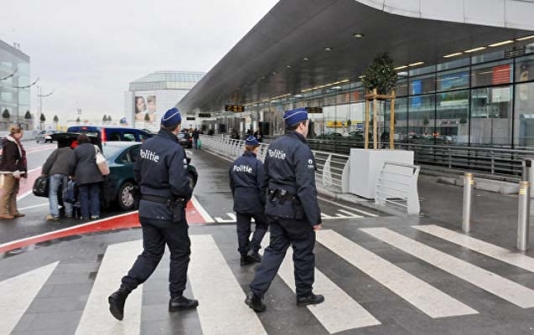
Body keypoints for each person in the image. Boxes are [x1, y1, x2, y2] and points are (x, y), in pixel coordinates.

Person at [108, 107, 197, 321]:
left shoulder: (146, 145)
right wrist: (188, 185)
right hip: (168, 211)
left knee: (150, 254)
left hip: (146, 208)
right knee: (180, 252)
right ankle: (176, 297)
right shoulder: (174, 150)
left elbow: (137, 173)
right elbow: (178, 185)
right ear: (178, 126)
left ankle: (123, 290)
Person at [245, 107, 323, 313]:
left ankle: (256, 292)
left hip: (275, 208)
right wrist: (315, 218)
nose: (307, 128)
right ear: (302, 125)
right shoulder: (301, 149)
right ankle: (305, 294)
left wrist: (267, 205)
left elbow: (265, 177)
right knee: (304, 252)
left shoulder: (274, 145)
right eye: (307, 124)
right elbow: (306, 187)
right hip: (295, 212)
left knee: (274, 251)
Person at [229, 136, 269, 266]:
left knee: (242, 230)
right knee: (263, 224)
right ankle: (253, 248)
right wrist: (265, 203)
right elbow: (262, 186)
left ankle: (243, 257)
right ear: (256, 149)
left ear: (244, 147)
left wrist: (236, 197)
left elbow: (232, 184)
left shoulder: (235, 163)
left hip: (240, 200)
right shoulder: (258, 164)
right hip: (255, 201)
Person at [69, 134, 104, 220]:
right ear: (88, 139)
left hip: (82, 176)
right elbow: (101, 158)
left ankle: (85, 215)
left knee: (83, 196)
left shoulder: (76, 149)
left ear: (79, 141)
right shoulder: (94, 147)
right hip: (95, 175)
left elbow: (72, 163)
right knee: (94, 195)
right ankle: (95, 214)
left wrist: (71, 174)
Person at [42, 139, 74, 221]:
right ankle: (69, 213)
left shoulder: (58, 151)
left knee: (53, 193)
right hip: (66, 174)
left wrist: (44, 172)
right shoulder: (72, 152)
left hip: (55, 173)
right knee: (66, 193)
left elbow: (49, 161)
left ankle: (55, 214)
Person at [0, 126, 27, 219]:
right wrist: (15, 171)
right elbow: (10, 159)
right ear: (16, 133)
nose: (22, 136)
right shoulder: (11, 144)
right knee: (7, 192)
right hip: (10, 171)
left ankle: (13, 211)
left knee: (13, 192)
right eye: (21, 134)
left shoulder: (13, 142)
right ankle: (2, 212)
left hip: (13, 170)